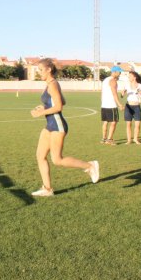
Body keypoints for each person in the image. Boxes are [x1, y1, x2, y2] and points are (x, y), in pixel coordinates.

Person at [30, 58, 100, 197]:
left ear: (49, 69)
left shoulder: (52, 84)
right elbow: (63, 101)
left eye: (40, 70)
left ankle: (90, 166)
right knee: (40, 156)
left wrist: (41, 112)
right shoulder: (50, 83)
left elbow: (59, 106)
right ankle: (47, 189)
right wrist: (44, 107)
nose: (39, 72)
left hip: (57, 126)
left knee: (57, 159)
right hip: (49, 125)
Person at [100, 66, 124, 145]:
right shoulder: (113, 80)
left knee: (105, 122)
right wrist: (119, 104)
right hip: (111, 105)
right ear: (115, 72)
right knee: (113, 122)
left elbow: (103, 92)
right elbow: (114, 94)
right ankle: (109, 139)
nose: (120, 74)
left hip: (104, 105)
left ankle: (103, 138)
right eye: (119, 72)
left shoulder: (105, 80)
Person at [121, 71, 141, 144]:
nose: (129, 77)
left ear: (135, 77)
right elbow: (122, 96)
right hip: (128, 106)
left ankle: (135, 139)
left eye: (130, 76)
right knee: (128, 124)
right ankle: (129, 140)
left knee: (137, 124)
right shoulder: (127, 85)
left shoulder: (140, 86)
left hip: (137, 106)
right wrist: (122, 93)